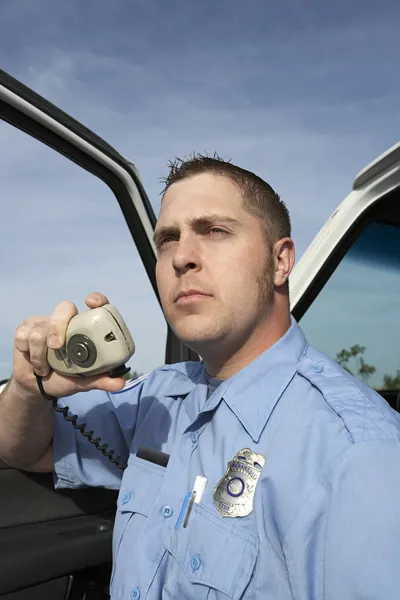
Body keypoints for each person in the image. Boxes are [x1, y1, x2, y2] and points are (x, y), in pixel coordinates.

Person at [1, 155, 400, 600]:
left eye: (215, 231)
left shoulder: (358, 453)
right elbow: (23, 448)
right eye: (167, 240)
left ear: (281, 262)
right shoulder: (158, 396)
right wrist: (29, 387)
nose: (182, 258)